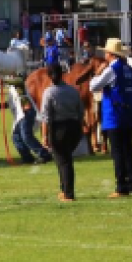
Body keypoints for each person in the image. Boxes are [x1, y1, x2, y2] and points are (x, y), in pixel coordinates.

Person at [90, 38, 132, 198]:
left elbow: (93, 86)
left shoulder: (112, 70)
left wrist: (98, 72)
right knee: (128, 150)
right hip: (129, 114)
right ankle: (131, 182)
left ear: (110, 54)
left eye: (106, 52)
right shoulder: (130, 69)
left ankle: (121, 186)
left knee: (117, 152)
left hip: (114, 114)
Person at [40, 63, 84, 202]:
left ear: (49, 76)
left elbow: (45, 117)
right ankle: (64, 189)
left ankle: (69, 193)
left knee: (64, 161)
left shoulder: (49, 92)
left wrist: (44, 135)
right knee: (63, 159)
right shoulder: (73, 91)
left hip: (58, 129)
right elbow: (81, 112)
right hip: (74, 127)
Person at [9, 85, 50, 165]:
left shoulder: (18, 82)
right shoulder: (11, 88)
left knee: (26, 136)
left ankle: (44, 155)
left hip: (26, 112)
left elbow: (18, 81)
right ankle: (27, 158)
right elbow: (14, 102)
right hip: (19, 115)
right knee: (16, 137)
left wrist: (3, 80)